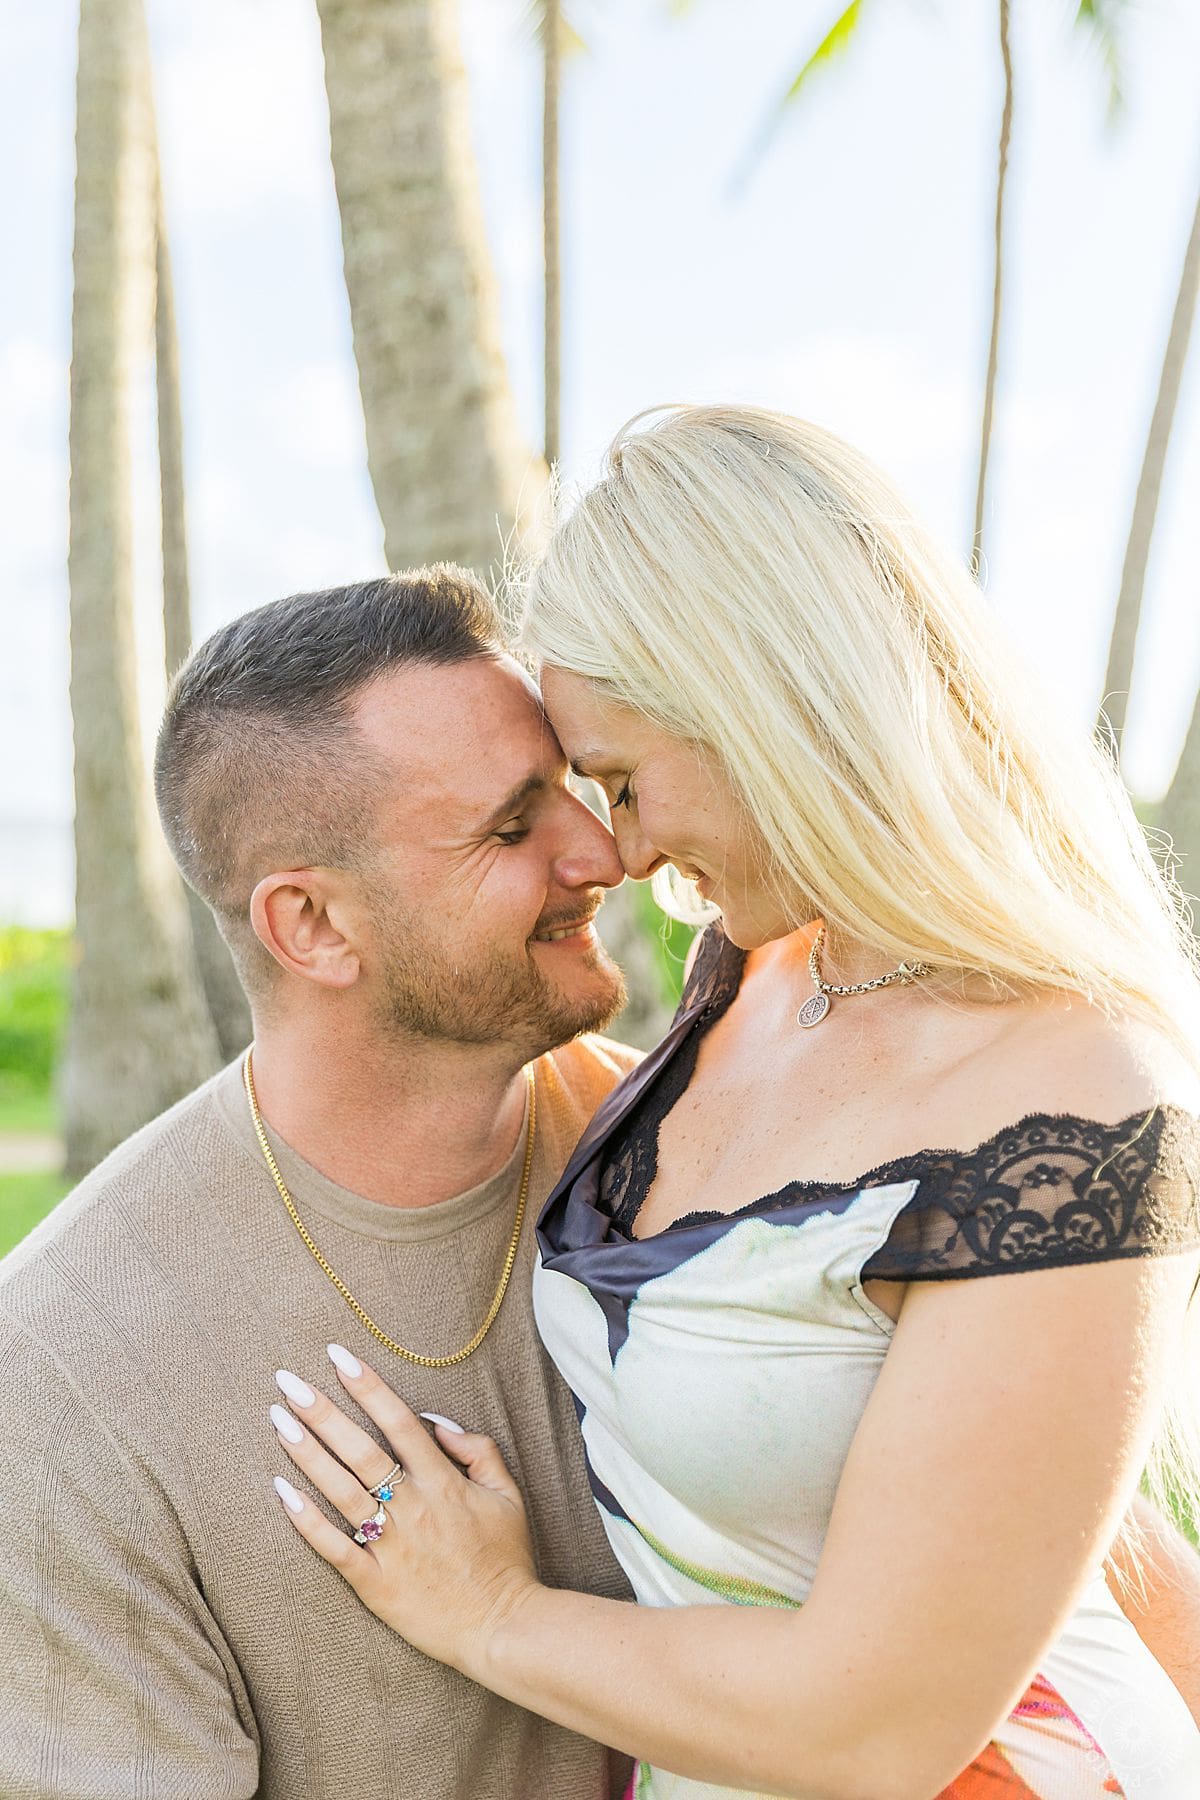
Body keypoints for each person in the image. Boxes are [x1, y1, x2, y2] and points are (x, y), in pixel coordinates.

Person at [266, 409, 1200, 1800]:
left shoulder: (1075, 1100)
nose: (621, 850)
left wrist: (487, 1612)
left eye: (626, 783)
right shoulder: (752, 975)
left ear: (767, 707)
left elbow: (874, 1734)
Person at [0, 569, 645, 1799]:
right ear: (313, 928)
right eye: (513, 828)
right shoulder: (53, 1385)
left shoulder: (699, 1147)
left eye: (572, 788)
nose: (601, 852)